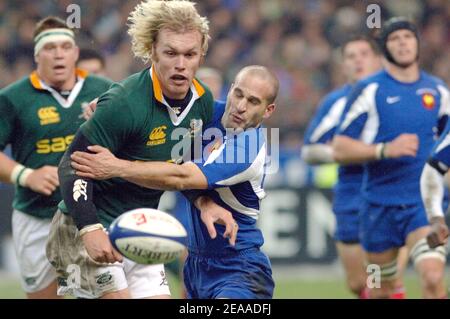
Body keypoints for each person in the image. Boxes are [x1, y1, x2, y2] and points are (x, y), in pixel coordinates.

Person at [45, 0, 236, 299]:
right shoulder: (125, 102)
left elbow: (177, 172)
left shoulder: (202, 102)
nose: (181, 64)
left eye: (190, 54)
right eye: (170, 53)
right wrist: (89, 228)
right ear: (152, 51)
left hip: (140, 228)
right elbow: (71, 165)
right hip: (84, 223)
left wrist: (204, 203)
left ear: (201, 54)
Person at [70, 65, 278, 299]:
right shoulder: (210, 113)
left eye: (253, 102)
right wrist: (113, 104)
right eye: (238, 94)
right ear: (230, 90)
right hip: (196, 267)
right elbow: (162, 100)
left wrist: (116, 167)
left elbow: (182, 176)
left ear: (268, 110)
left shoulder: (248, 148)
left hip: (239, 269)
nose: (240, 106)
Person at [333, 17, 449, 298]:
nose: (403, 43)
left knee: (432, 277)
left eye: (408, 37)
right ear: (384, 49)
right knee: (380, 290)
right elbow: (339, 148)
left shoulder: (439, 92)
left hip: (422, 206)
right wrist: (384, 150)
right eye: (394, 39)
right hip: (378, 208)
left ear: (418, 45)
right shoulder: (369, 90)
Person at [0, 16, 112, 299]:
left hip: (91, 214)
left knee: (110, 292)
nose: (59, 53)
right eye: (50, 48)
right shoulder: (13, 97)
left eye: (65, 46)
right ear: (37, 55)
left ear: (76, 53)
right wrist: (26, 175)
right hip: (36, 216)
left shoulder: (104, 90)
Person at [302, 35, 407, 299]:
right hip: (350, 194)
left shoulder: (398, 95)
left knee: (381, 281)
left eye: (364, 54)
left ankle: (394, 288)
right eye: (350, 56)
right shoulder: (336, 102)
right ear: (343, 65)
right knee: (357, 282)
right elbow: (310, 150)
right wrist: (352, 153)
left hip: (391, 192)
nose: (357, 60)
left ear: (379, 59)